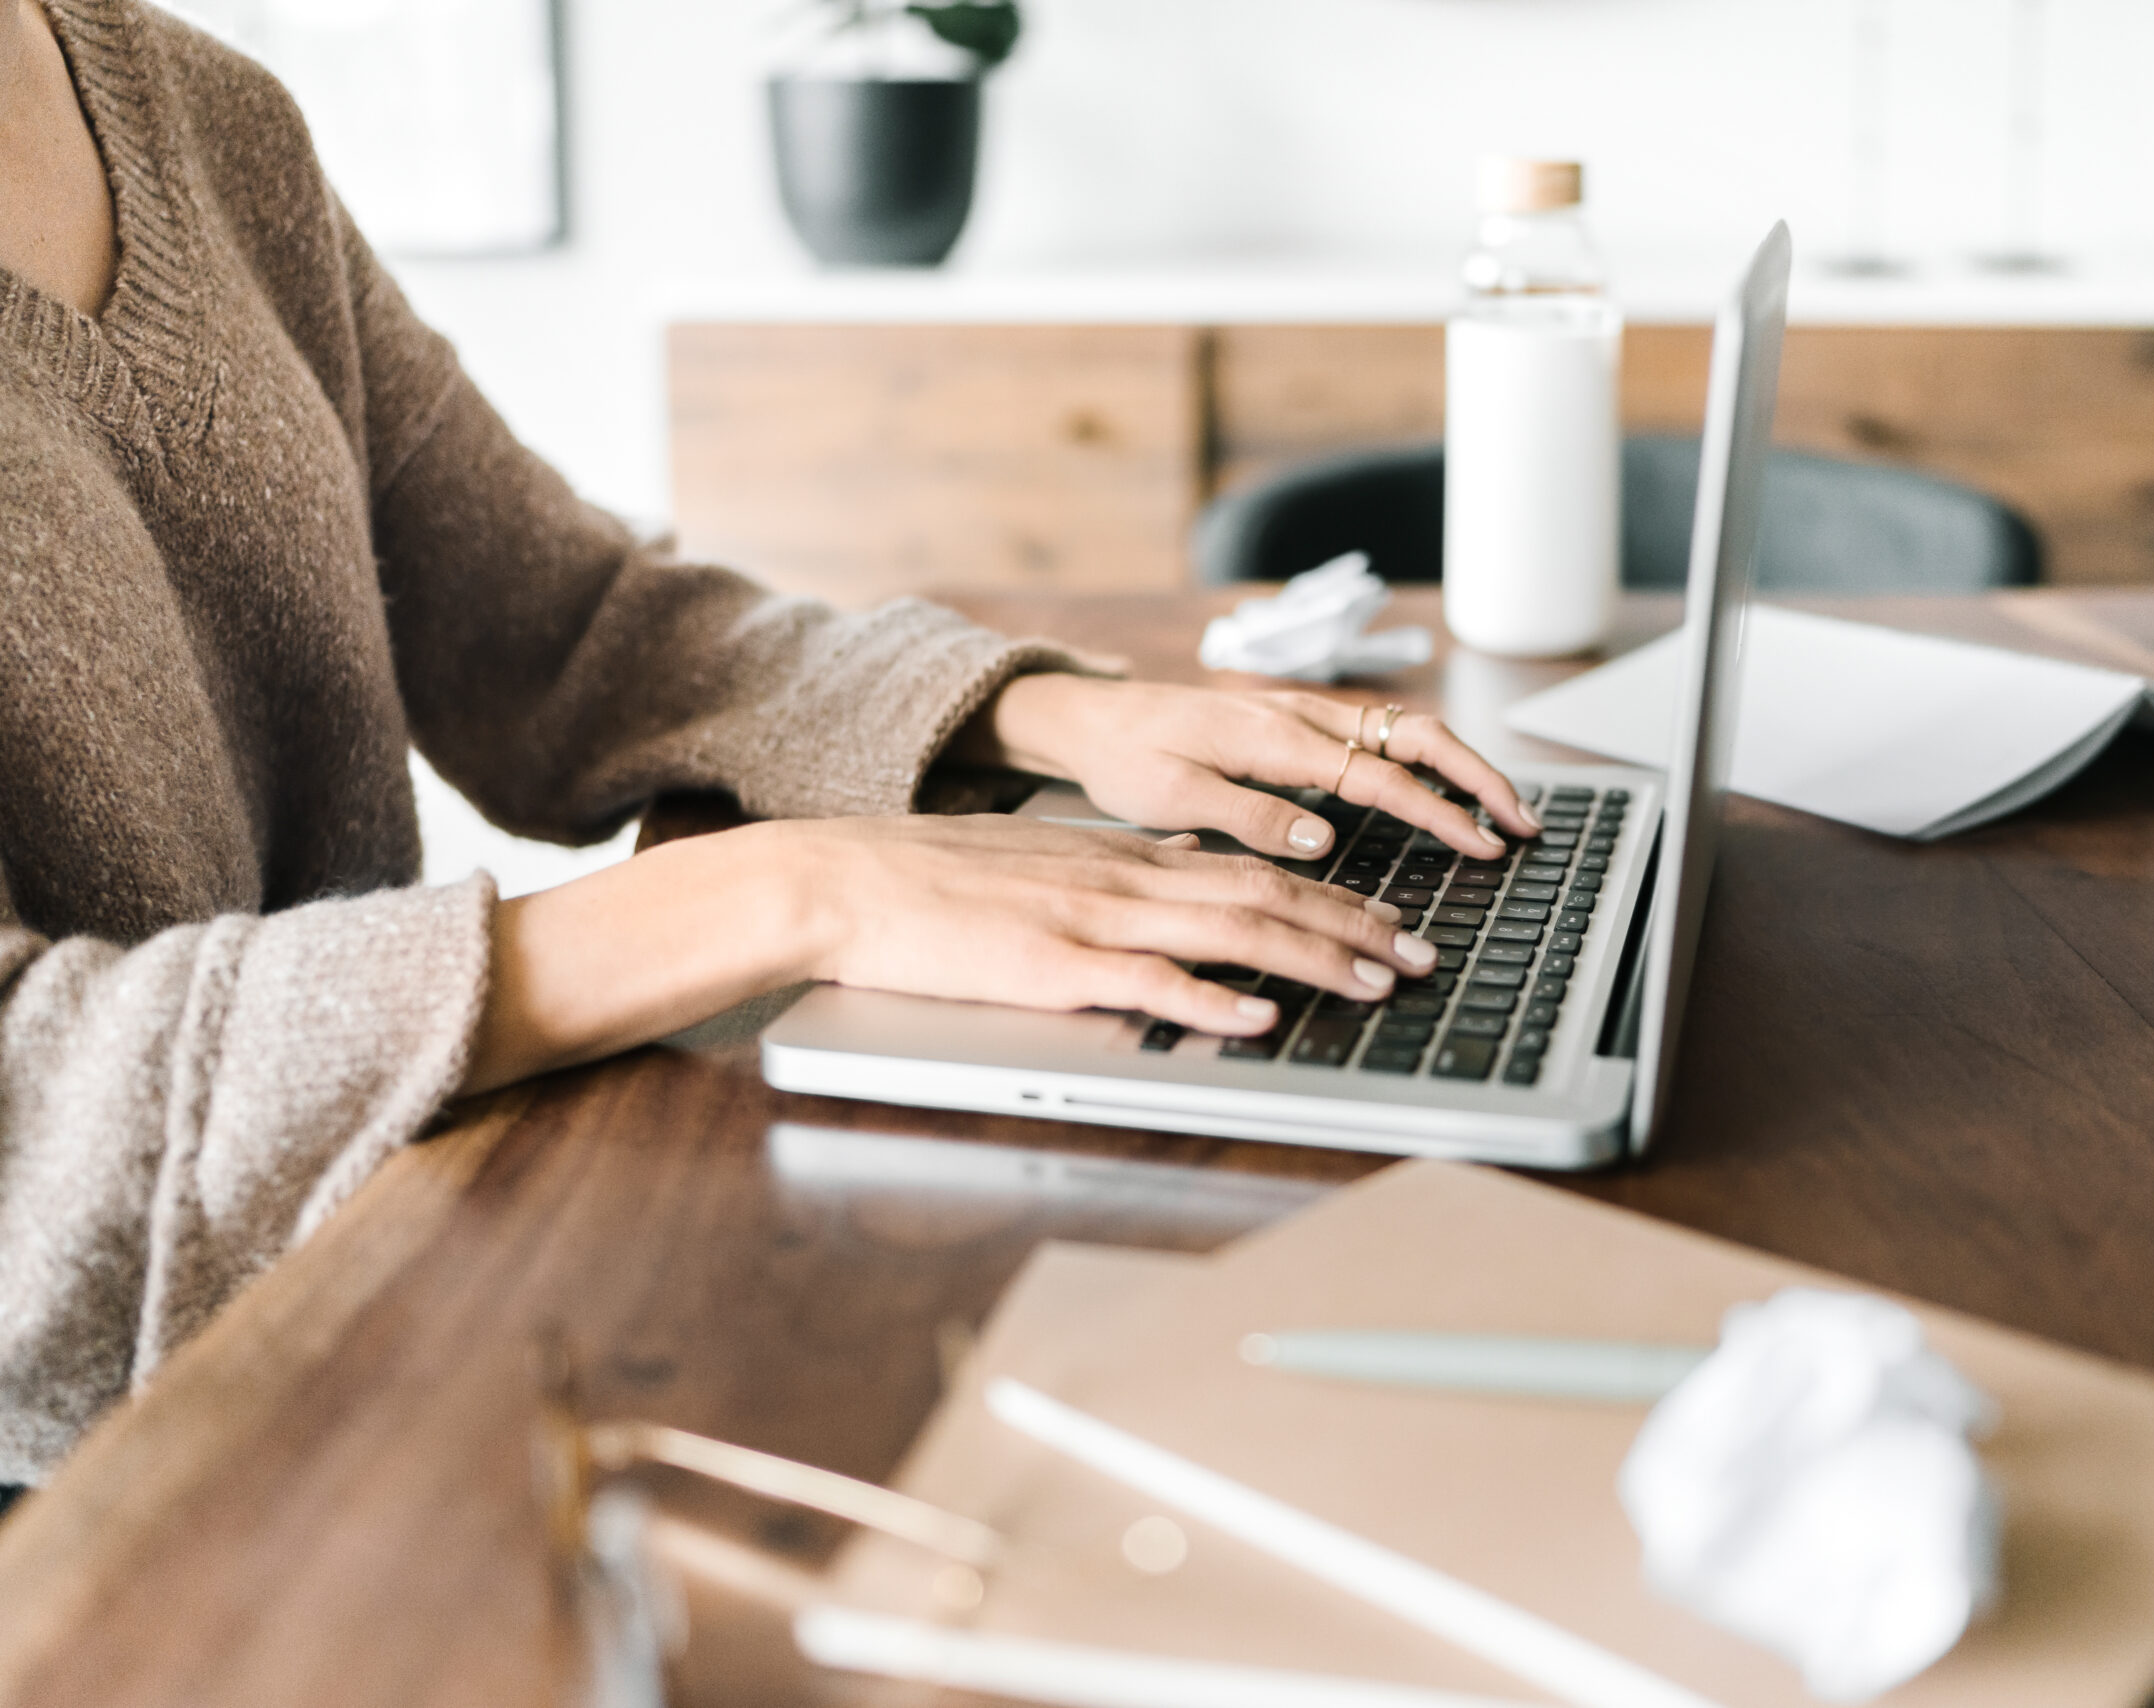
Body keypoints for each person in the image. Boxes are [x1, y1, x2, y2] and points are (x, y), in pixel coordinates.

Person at [0, 0, 1539, 1485]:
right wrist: (787, 892)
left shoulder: (203, 111)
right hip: (96, 1483)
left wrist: (1042, 708)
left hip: (351, 1266)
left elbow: (571, 619)